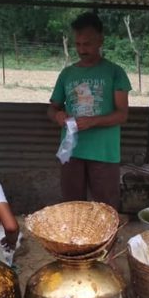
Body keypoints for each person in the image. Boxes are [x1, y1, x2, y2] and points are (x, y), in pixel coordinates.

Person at [47, 12, 132, 210]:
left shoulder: (115, 72)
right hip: (71, 152)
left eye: (88, 44)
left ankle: (107, 242)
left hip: (104, 153)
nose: (82, 50)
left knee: (106, 211)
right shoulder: (67, 74)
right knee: (71, 208)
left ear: (100, 40)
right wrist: (58, 116)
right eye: (78, 44)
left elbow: (123, 114)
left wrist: (92, 121)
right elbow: (52, 109)